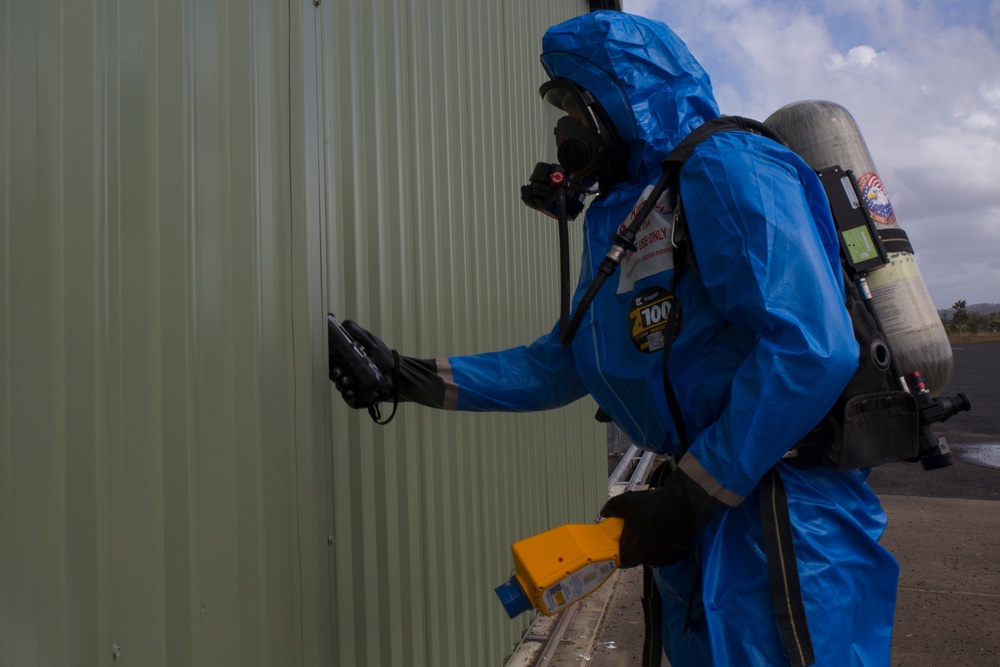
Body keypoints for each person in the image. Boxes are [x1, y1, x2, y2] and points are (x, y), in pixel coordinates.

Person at [330, 10, 898, 666]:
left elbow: (812, 346)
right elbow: (566, 363)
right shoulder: (622, 217)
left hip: (783, 514)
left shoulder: (725, 166)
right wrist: (408, 376)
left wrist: (693, 494)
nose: (565, 127)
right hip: (700, 510)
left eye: (574, 103)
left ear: (623, 98)